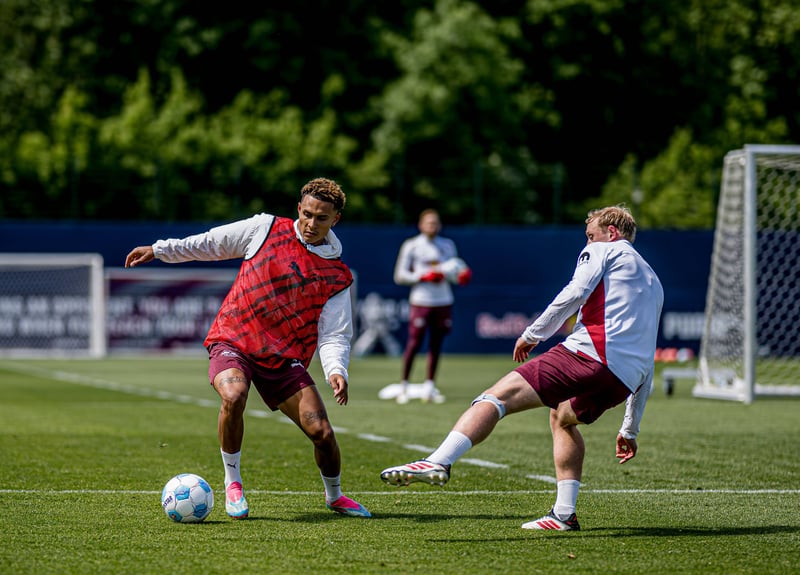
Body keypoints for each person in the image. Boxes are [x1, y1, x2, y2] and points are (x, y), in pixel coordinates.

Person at [380, 205, 663, 531]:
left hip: (589, 355)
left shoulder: (603, 250)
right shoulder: (653, 281)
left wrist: (533, 333)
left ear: (611, 232)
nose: (587, 242)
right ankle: (564, 515)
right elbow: (648, 355)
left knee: (495, 397)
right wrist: (629, 429)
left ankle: (438, 461)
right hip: (623, 379)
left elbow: (575, 292)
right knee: (562, 418)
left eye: (590, 235)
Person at [124, 177, 371, 519]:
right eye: (307, 214)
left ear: (336, 219)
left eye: (322, 218)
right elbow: (211, 243)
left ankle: (335, 496)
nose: (311, 224)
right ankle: (233, 483)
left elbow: (334, 334)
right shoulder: (264, 228)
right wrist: (160, 250)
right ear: (298, 208)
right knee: (234, 394)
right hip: (234, 339)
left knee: (323, 432)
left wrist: (336, 370)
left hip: (283, 357)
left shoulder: (337, 275)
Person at [391, 209, 471, 404]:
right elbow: (400, 275)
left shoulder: (447, 245)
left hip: (443, 300)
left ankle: (430, 386)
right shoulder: (412, 245)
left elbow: (453, 271)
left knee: (436, 343)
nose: (432, 226)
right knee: (414, 342)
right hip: (421, 300)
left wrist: (460, 276)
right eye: (428, 223)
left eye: (435, 223)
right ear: (421, 225)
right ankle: (404, 385)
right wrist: (423, 276)